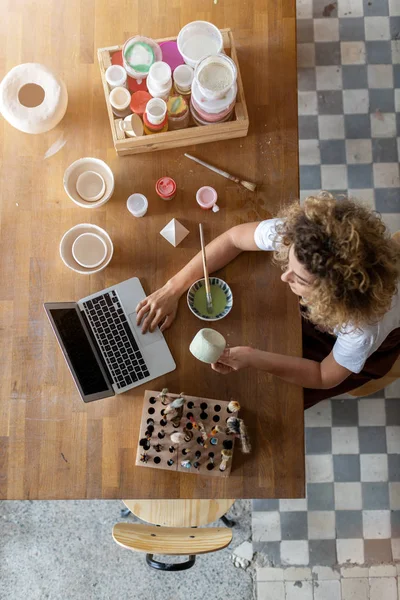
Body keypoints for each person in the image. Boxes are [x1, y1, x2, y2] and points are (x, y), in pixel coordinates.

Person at [136, 193, 400, 408]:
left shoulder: (361, 328)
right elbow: (233, 239)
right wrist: (173, 288)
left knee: (286, 400)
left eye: (299, 279)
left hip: (355, 346)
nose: (284, 278)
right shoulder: (309, 236)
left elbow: (322, 375)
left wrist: (253, 357)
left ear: (332, 297)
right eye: (290, 263)